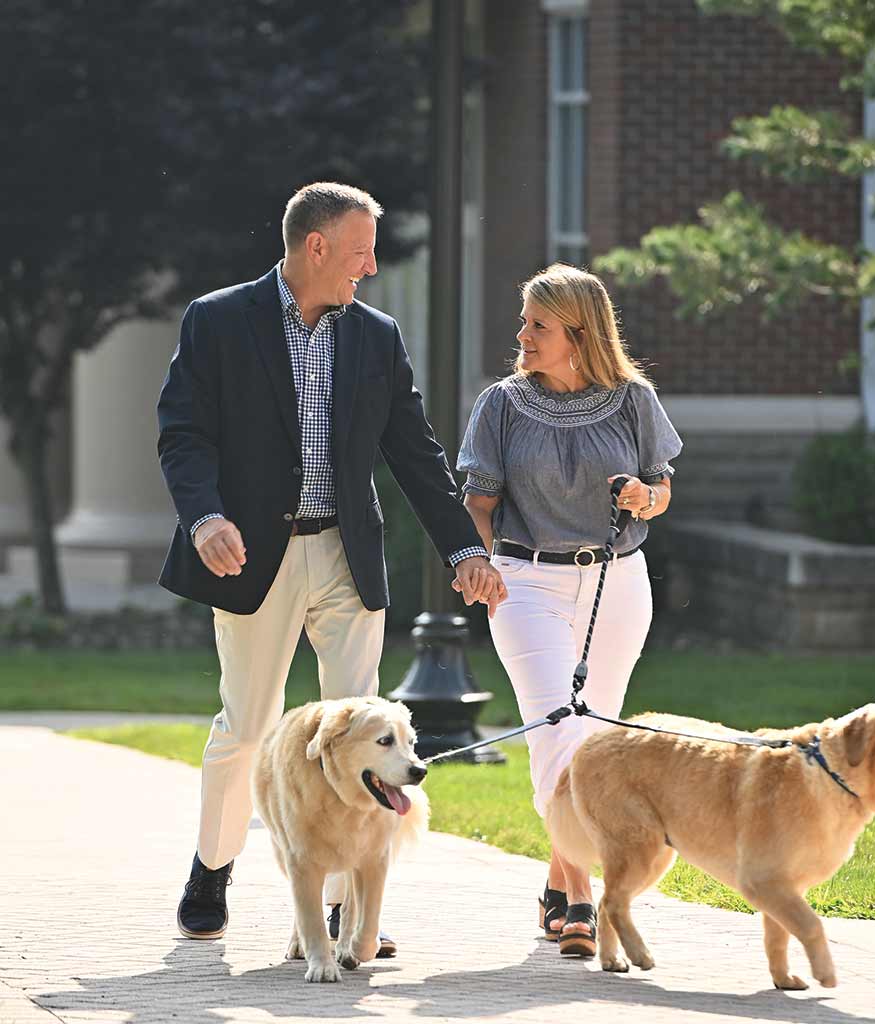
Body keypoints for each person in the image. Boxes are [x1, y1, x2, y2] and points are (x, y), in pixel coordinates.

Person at [157, 182, 505, 948]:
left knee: (365, 730)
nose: (371, 267)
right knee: (248, 724)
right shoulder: (217, 321)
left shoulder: (375, 336)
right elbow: (182, 433)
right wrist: (205, 514)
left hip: (348, 554)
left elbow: (415, 451)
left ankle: (350, 909)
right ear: (315, 247)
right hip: (254, 558)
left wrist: (463, 548)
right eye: (360, 250)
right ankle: (213, 868)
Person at [456, 263, 682, 957]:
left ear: (579, 334)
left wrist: (644, 498)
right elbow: (479, 502)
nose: (521, 335)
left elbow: (662, 486)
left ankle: (559, 879)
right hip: (527, 582)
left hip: (617, 584)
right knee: (558, 731)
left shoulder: (632, 400)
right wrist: (480, 562)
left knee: (594, 741)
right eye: (524, 322)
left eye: (537, 325)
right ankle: (583, 898)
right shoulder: (501, 403)